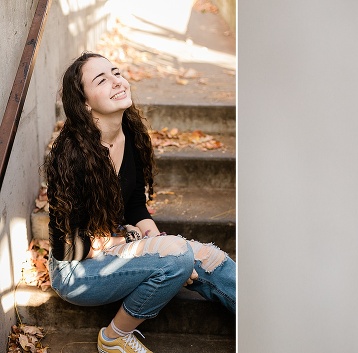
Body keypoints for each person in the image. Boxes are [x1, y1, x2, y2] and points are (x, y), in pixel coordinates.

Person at [44, 52, 236, 353]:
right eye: (101, 80)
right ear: (84, 102)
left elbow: (134, 206)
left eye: (116, 72)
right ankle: (114, 337)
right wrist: (135, 240)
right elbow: (68, 248)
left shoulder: (129, 133)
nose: (116, 81)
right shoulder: (72, 157)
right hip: (76, 270)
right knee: (177, 256)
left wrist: (156, 240)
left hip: (114, 242)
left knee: (207, 258)